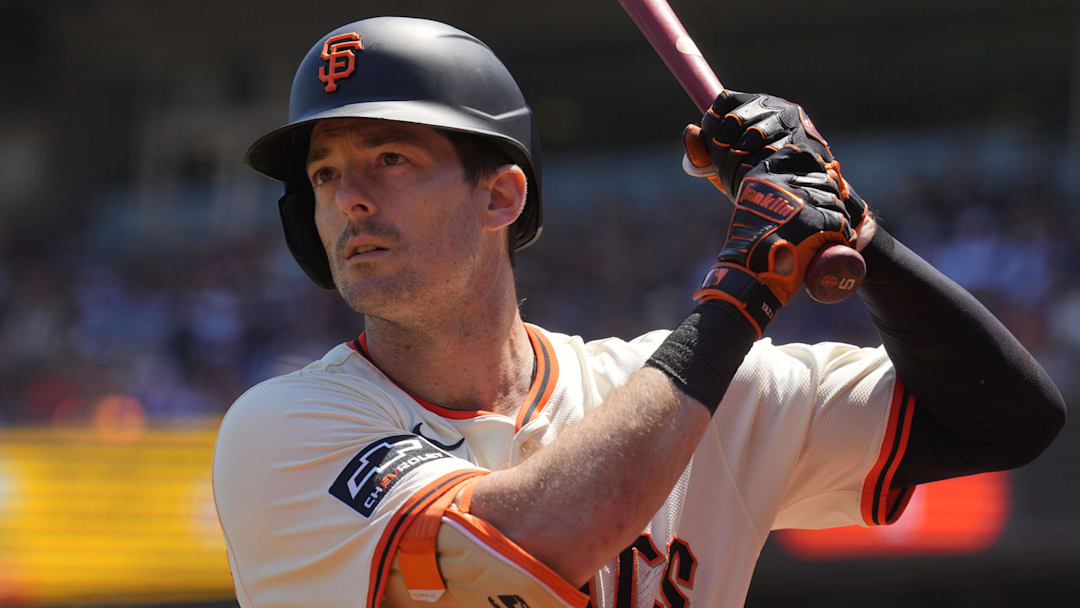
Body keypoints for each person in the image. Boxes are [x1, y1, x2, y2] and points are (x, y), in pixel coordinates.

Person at [212, 16, 1066, 608]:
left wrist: (849, 222)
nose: (349, 199)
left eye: (390, 157)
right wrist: (745, 290)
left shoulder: (683, 392)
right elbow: (527, 550)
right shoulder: (287, 427)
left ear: (502, 194)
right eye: (325, 174)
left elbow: (1005, 420)